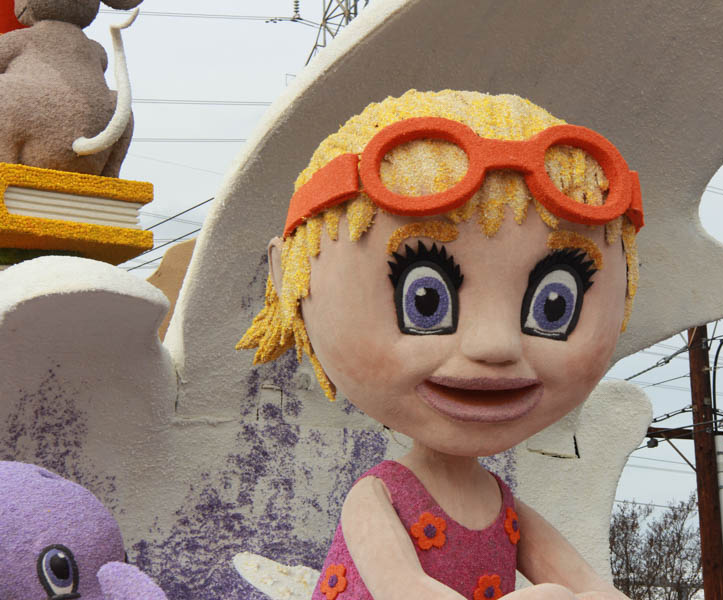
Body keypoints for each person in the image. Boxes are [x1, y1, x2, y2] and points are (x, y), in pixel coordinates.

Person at [238, 89, 642, 600]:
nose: (494, 346)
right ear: (291, 280)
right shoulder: (379, 496)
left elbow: (590, 587)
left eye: (552, 306)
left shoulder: (505, 506)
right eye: (425, 299)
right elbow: (401, 588)